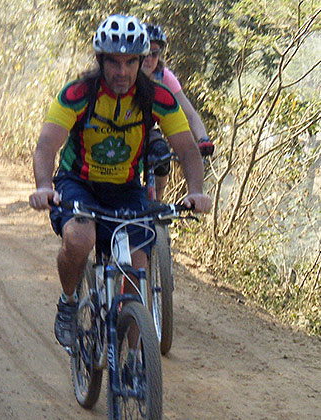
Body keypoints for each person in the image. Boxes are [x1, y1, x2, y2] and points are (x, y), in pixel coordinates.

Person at [27, 14, 211, 348]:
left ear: (143, 62)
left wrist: (197, 191)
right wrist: (44, 186)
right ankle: (69, 303)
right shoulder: (78, 93)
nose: (122, 71)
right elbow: (45, 146)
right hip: (78, 182)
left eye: (130, 62)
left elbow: (186, 149)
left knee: (135, 272)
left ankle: (134, 364)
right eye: (113, 61)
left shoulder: (157, 97)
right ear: (100, 61)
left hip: (126, 189)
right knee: (80, 238)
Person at [142, 22, 214, 200]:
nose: (149, 59)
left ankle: (157, 201)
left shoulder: (164, 77)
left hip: (147, 131)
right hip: (120, 130)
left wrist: (202, 138)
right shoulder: (125, 74)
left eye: (154, 54)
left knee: (160, 153)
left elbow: (188, 113)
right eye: (144, 52)